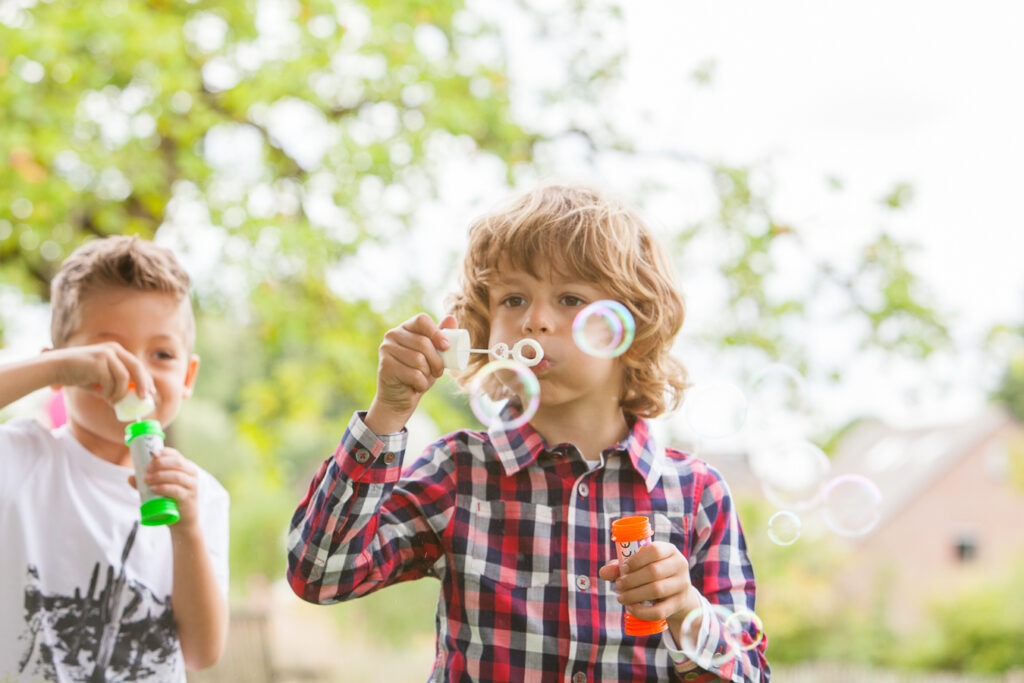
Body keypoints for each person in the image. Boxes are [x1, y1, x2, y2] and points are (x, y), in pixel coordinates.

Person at [287, 185, 770, 682]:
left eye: (570, 299)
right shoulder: (459, 473)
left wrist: (687, 610)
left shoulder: (696, 495)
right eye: (514, 299)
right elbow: (320, 573)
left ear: (632, 325)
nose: (536, 321)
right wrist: (388, 411)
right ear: (483, 326)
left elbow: (748, 673)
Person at [0, 236, 230, 681]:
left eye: (161, 354)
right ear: (61, 365)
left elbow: (202, 652)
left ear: (189, 376)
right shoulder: (21, 460)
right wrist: (53, 369)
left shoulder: (201, 496)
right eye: (107, 353)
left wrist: (188, 530)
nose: (135, 373)